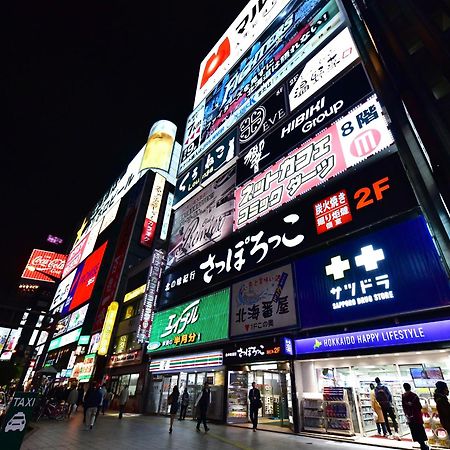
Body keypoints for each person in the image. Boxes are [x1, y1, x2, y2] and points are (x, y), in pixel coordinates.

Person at [402, 383, 429, 450]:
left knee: (415, 431)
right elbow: (419, 406)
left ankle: (421, 444)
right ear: (410, 387)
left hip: (410, 417)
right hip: (416, 416)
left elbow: (404, 407)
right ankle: (423, 445)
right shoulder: (414, 396)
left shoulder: (403, 396)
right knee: (420, 430)